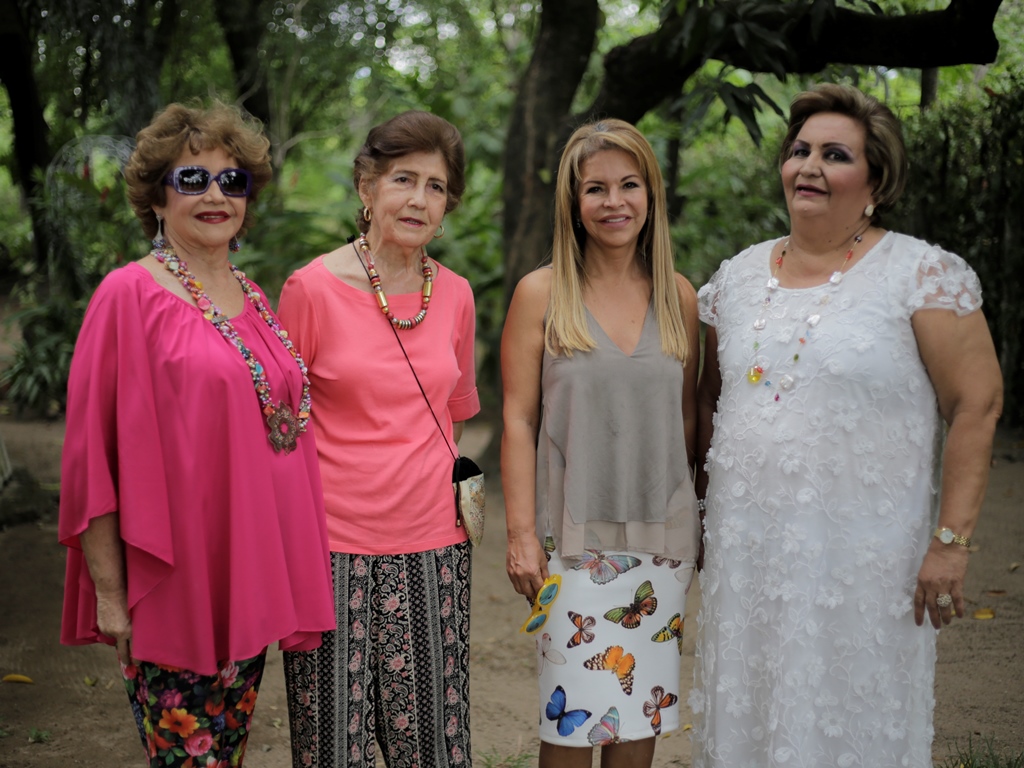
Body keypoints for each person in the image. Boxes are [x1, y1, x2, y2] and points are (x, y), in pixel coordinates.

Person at [689, 83, 1003, 767]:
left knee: (851, 724)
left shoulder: (920, 275)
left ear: (876, 181)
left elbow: (976, 404)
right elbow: (711, 404)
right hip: (749, 559)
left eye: (835, 154)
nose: (809, 166)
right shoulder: (735, 281)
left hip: (862, 563)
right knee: (752, 714)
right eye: (799, 151)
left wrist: (951, 542)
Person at [58, 102, 336, 767]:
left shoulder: (252, 294)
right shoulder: (127, 296)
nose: (216, 195)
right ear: (158, 198)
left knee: (226, 754)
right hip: (174, 586)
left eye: (232, 181)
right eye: (194, 180)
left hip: (244, 581)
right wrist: (112, 598)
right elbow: (91, 459)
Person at [277, 110, 480, 768]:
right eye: (403, 179)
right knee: (333, 746)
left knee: (435, 748)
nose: (419, 199)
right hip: (329, 550)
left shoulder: (455, 295)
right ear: (366, 187)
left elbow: (454, 413)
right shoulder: (309, 290)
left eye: (437, 186)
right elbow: (281, 430)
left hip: (434, 549)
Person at [501, 118, 701, 768]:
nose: (614, 201)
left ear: (651, 195)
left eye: (629, 185)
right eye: (596, 188)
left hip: (660, 550)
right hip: (573, 549)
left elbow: (690, 418)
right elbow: (518, 419)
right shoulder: (541, 294)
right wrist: (523, 534)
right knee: (570, 727)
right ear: (573, 201)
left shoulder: (679, 298)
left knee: (639, 720)